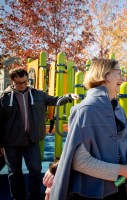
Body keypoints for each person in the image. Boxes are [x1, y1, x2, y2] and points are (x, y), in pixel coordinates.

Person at [50, 58, 127, 199]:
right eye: (119, 73)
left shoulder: (118, 108)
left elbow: (122, 144)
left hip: (120, 187)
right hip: (93, 191)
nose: (123, 78)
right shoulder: (85, 110)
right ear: (105, 75)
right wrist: (122, 170)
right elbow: (80, 161)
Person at [0, 67, 79, 200]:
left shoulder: (37, 94)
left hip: (31, 140)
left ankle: (34, 196)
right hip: (11, 142)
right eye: (19, 82)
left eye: (25, 82)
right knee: (14, 173)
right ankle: (18, 197)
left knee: (36, 170)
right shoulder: (4, 98)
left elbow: (55, 100)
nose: (23, 85)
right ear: (13, 81)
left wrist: (69, 96)